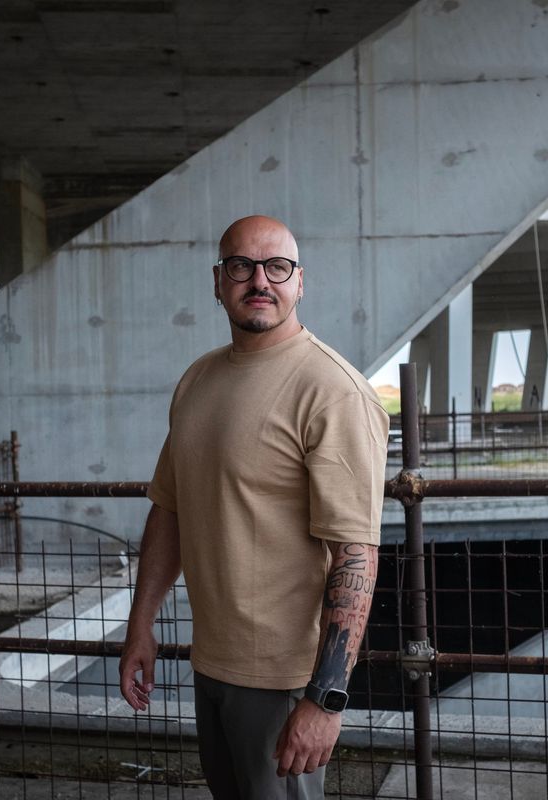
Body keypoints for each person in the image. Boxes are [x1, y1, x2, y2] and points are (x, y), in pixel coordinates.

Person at [119, 215, 390, 799]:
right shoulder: (198, 379)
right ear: (218, 282)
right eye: (242, 266)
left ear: (300, 283)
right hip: (210, 662)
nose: (259, 280)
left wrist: (326, 697)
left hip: (284, 681)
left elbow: (356, 553)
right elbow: (170, 510)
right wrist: (141, 624)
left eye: (277, 267)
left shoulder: (333, 390)